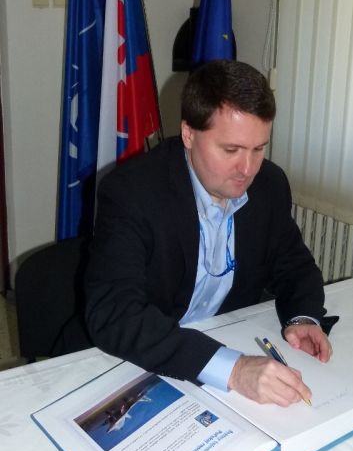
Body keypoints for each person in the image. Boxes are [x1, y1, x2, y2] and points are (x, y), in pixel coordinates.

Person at [85, 60, 338, 407]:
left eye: (258, 148)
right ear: (189, 134)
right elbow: (116, 314)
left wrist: (303, 317)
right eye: (231, 150)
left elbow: (293, 265)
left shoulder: (269, 185)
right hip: (137, 359)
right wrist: (232, 370)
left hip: (225, 345)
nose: (247, 169)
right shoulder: (132, 192)